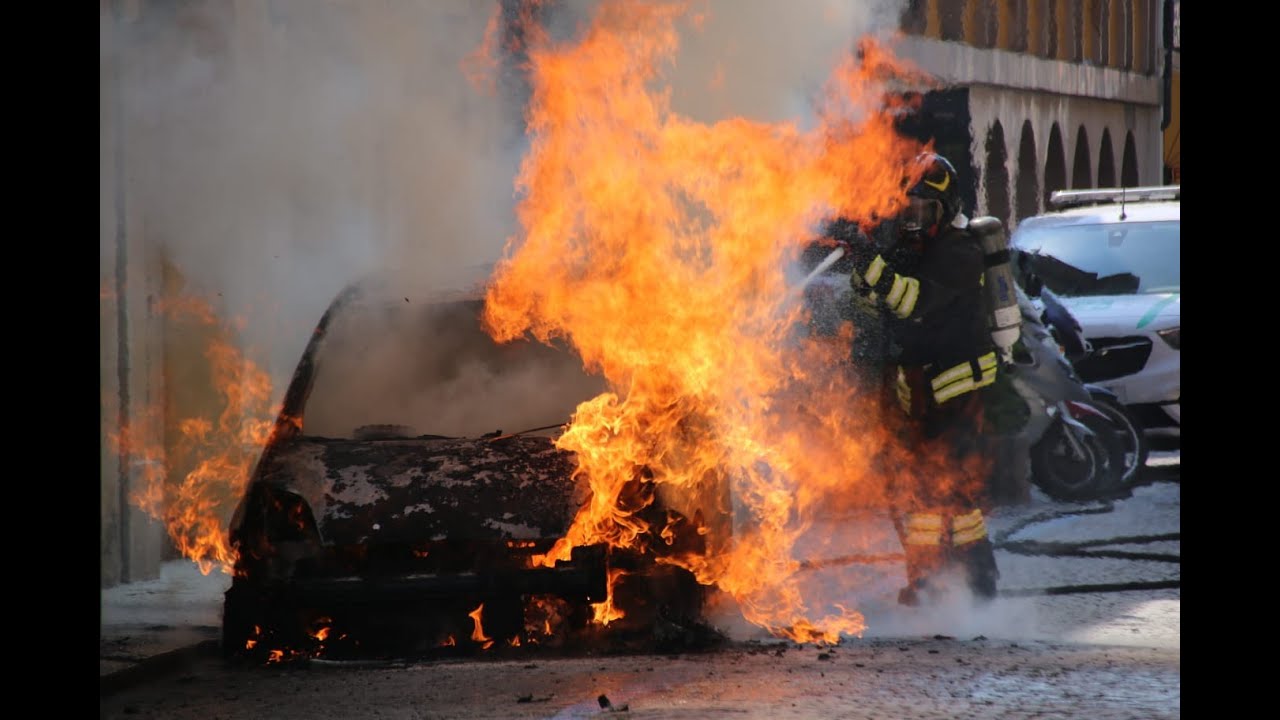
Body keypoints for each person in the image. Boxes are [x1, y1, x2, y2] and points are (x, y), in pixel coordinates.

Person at [828, 152, 1000, 606]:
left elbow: (913, 302)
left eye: (923, 211)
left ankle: (968, 584)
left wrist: (871, 263)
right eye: (907, 211)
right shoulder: (914, 251)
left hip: (958, 391)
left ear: (945, 210)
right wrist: (865, 266)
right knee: (928, 493)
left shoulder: (959, 252)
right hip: (923, 391)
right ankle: (936, 583)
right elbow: (875, 306)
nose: (913, 221)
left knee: (949, 493)